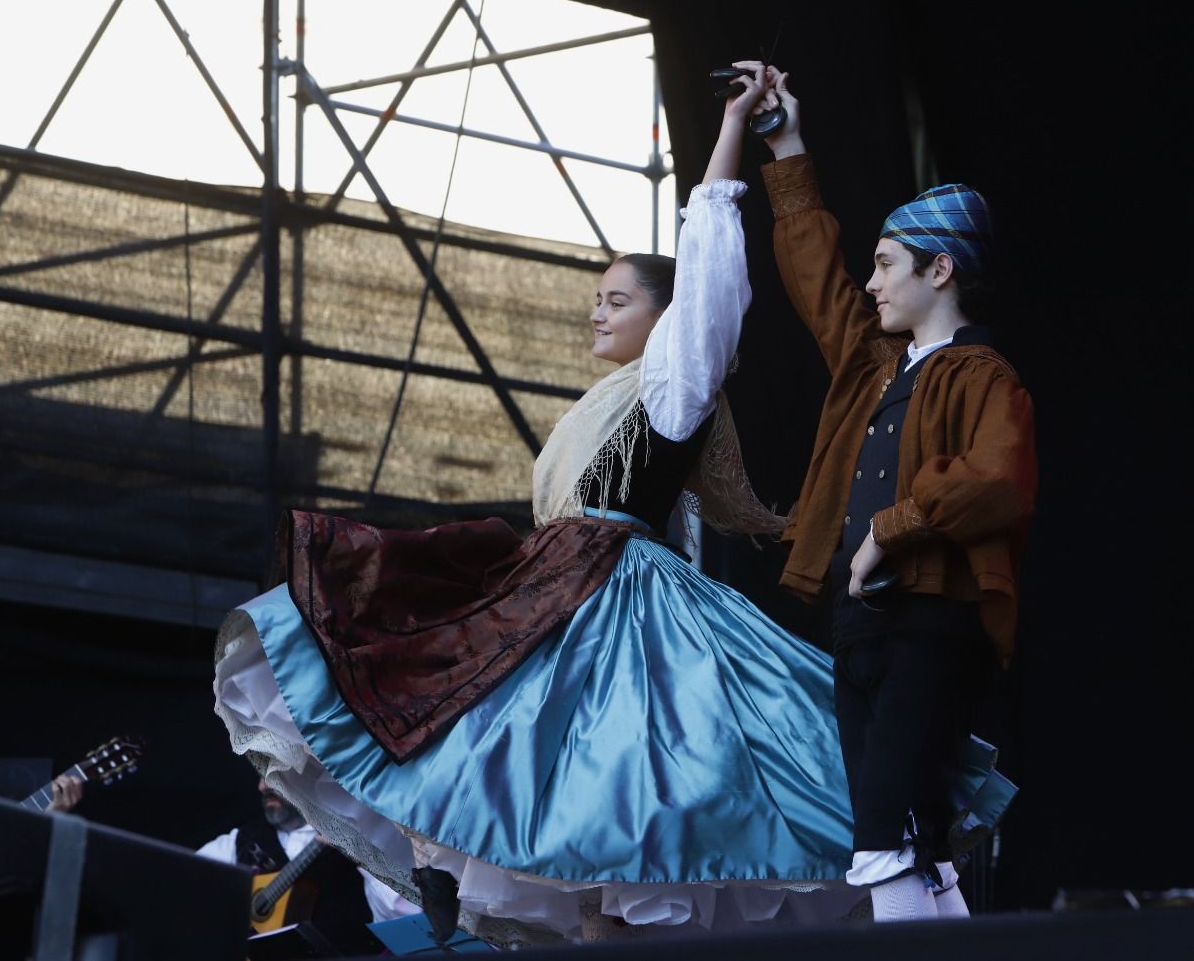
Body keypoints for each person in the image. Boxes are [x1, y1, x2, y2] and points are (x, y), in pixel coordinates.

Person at [211, 65, 864, 946]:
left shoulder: (674, 386)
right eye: (595, 298)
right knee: (495, 754)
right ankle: (438, 864)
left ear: (670, 318)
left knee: (606, 820)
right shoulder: (613, 401)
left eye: (618, 300)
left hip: (620, 606)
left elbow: (712, 265)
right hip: (557, 593)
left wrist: (734, 133)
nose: (597, 314)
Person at [754, 67, 1038, 922]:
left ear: (940, 268)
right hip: (861, 624)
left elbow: (998, 482)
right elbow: (813, 275)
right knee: (902, 828)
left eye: (885, 266)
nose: (871, 284)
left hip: (930, 621)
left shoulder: (986, 377)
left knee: (883, 826)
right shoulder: (873, 365)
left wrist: (891, 527)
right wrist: (784, 145)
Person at [195, 777, 417, 938]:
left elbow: (405, 919)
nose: (263, 786)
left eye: (273, 773)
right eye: (260, 774)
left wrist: (363, 852)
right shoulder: (238, 842)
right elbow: (180, 892)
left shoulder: (356, 834)